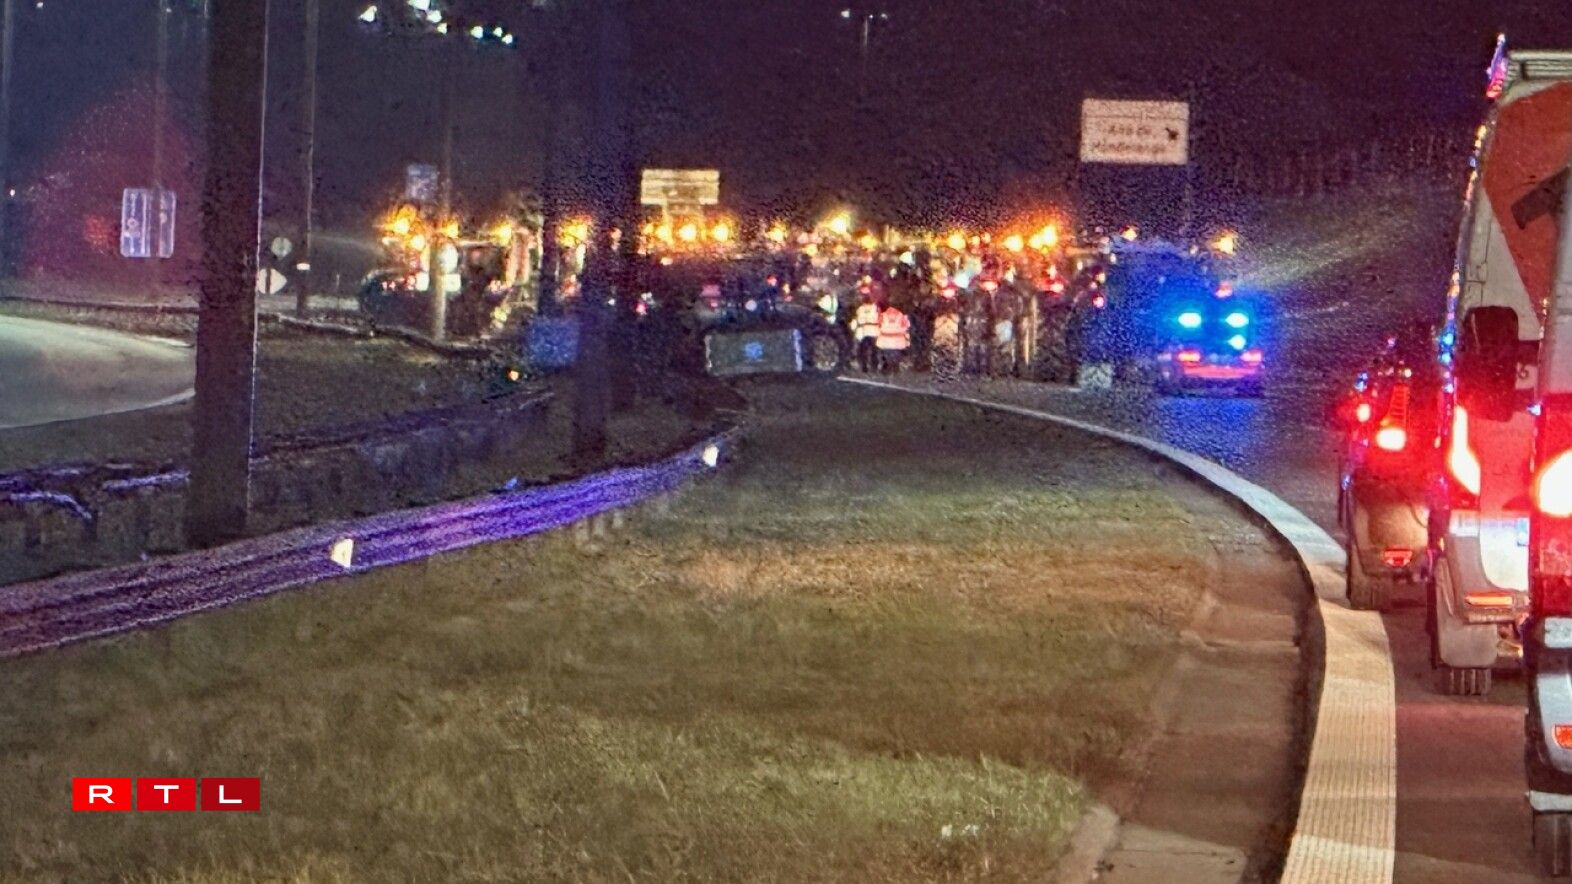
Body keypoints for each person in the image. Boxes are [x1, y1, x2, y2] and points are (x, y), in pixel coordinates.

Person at [876, 301, 911, 374]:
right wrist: (907, 339)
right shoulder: (901, 315)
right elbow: (907, 326)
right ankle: (895, 368)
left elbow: (878, 325)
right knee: (896, 355)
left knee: (885, 354)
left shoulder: (882, 315)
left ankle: (886, 367)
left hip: (885, 340)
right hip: (898, 340)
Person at [853, 290, 881, 372]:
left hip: (863, 332)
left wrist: (854, 329)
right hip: (874, 331)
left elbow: (857, 319)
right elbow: (880, 319)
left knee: (863, 350)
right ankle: (874, 366)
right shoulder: (876, 308)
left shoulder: (860, 309)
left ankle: (864, 366)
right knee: (874, 350)